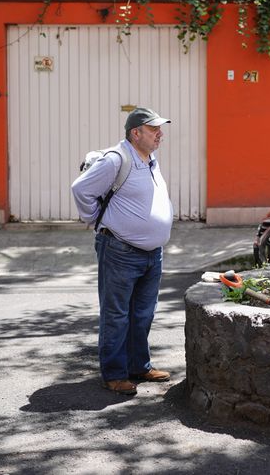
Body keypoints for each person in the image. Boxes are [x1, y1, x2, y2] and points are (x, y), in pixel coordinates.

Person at [71, 107, 174, 395]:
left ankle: (139, 365)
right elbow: (81, 190)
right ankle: (115, 374)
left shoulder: (150, 158)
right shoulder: (117, 159)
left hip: (151, 253)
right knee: (116, 314)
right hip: (119, 249)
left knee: (143, 313)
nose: (160, 134)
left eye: (160, 129)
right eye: (154, 129)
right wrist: (98, 220)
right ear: (135, 133)